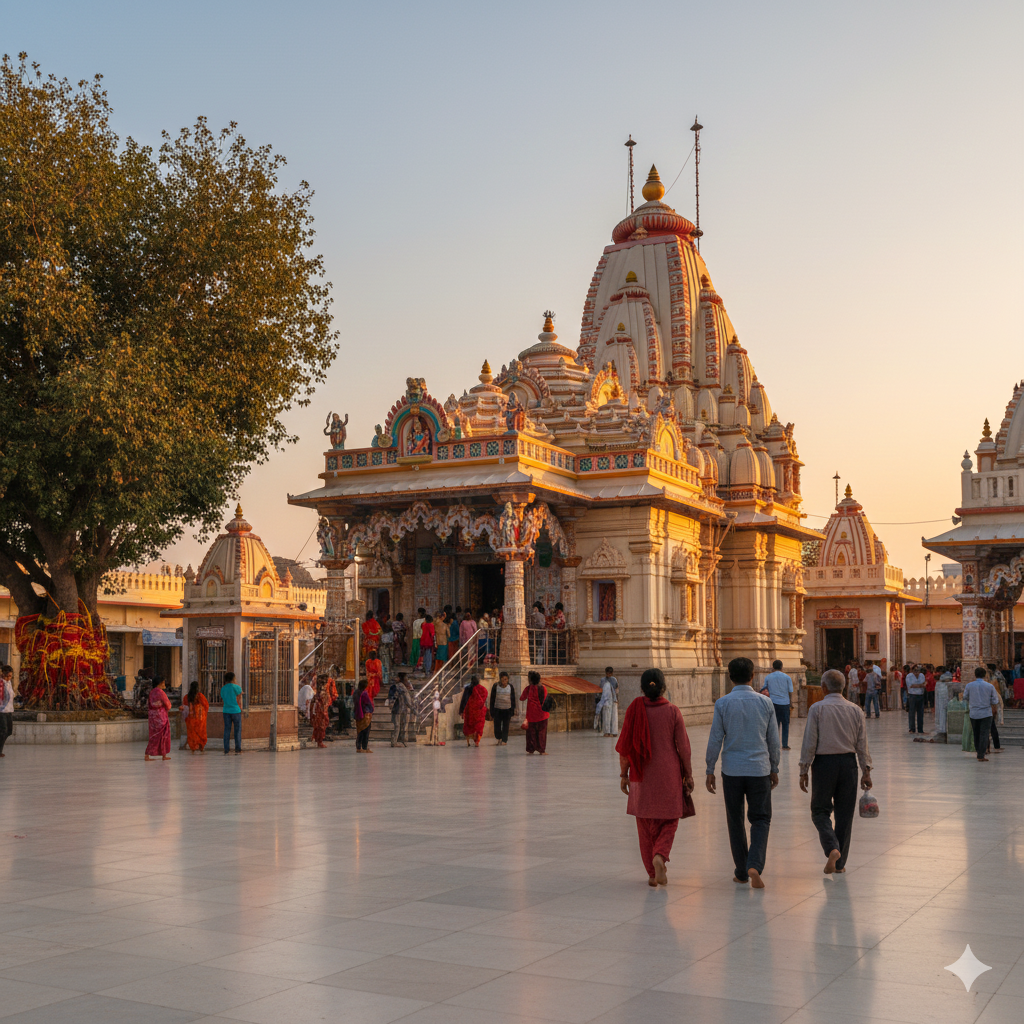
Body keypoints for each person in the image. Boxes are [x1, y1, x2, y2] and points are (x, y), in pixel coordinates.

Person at [705, 657, 780, 889]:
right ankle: (755, 864)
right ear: (753, 675)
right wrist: (774, 767)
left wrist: (710, 769)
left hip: (732, 771)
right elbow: (773, 741)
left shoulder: (722, 703)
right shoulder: (765, 703)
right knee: (761, 819)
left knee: (735, 819)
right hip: (759, 769)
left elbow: (716, 738)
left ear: (730, 677)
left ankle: (741, 870)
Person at [616, 667, 695, 886]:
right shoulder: (673, 711)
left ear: (642, 687)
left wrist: (624, 774)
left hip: (641, 775)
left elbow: (625, 746)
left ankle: (652, 873)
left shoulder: (634, 709)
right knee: (669, 819)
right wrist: (688, 775)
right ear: (663, 687)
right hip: (669, 774)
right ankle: (660, 855)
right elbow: (684, 748)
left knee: (644, 825)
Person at [798, 669, 872, 875]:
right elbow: (862, 743)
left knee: (820, 811)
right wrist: (866, 770)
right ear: (844, 687)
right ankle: (839, 864)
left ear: (823, 687)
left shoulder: (817, 709)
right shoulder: (856, 710)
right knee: (844, 815)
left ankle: (832, 847)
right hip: (848, 764)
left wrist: (804, 768)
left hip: (824, 765)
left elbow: (809, 741)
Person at [962, 667, 1000, 762]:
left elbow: (965, 697)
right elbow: (995, 700)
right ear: (985, 675)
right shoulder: (990, 686)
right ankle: (981, 755)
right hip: (986, 713)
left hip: (974, 713)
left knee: (976, 733)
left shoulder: (969, 686)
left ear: (975, 675)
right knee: (984, 734)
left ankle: (978, 751)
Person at [763, 660, 794, 749]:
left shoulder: (768, 677)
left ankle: (774, 744)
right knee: (785, 724)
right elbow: (790, 691)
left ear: (773, 667)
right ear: (782, 667)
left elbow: (764, 689)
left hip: (773, 703)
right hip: (785, 703)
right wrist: (791, 703)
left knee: (774, 725)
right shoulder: (787, 677)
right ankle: (785, 744)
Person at [522, 670, 550, 754]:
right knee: (542, 733)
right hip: (542, 714)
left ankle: (531, 749)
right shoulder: (543, 688)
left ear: (530, 680)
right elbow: (545, 699)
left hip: (531, 715)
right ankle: (541, 750)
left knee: (531, 733)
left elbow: (522, 698)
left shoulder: (528, 688)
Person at [145, 677, 172, 761]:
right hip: (161, 717)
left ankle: (148, 755)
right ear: (159, 683)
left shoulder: (151, 692)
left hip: (153, 717)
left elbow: (148, 704)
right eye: (163, 683)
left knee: (154, 736)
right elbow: (168, 704)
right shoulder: (160, 692)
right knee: (163, 736)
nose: (164, 685)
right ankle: (163, 754)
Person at [458, 673, 488, 746]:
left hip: (469, 710)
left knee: (469, 726)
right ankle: (476, 741)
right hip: (479, 711)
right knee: (478, 726)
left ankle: (469, 741)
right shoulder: (482, 689)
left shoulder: (468, 688)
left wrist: (461, 710)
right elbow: (484, 699)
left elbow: (464, 700)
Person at [489, 671, 516, 745]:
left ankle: (504, 740)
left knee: (506, 726)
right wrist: (491, 711)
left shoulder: (510, 687)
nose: (505, 681)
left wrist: (513, 709)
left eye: (506, 679)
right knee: (497, 726)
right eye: (503, 679)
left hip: (507, 709)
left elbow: (513, 698)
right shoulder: (495, 686)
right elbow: (492, 699)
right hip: (497, 709)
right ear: (500, 679)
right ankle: (499, 737)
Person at [182, 681, 209, 753]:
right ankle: (201, 747)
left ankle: (193, 747)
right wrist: (204, 713)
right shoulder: (200, 696)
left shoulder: (186, 696)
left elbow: (184, 706)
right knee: (201, 732)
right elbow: (206, 705)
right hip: (200, 717)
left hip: (190, 717)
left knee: (192, 732)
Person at [221, 671, 243, 755]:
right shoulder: (236, 687)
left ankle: (226, 749)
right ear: (233, 678)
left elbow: (223, 697)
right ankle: (238, 749)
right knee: (237, 730)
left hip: (226, 711)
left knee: (227, 730)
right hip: (236, 711)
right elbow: (240, 693)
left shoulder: (223, 688)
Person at [390, 672, 413, 748]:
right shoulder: (400, 686)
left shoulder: (400, 686)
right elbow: (408, 698)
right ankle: (397, 742)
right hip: (399, 708)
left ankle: (396, 741)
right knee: (399, 726)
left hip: (399, 708)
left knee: (398, 725)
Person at [905, 664, 926, 734]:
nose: (916, 672)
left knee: (920, 713)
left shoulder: (922, 676)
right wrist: (920, 685)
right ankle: (912, 728)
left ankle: (920, 728)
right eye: (915, 671)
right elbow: (911, 685)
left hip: (921, 695)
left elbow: (924, 684)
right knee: (912, 712)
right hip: (912, 695)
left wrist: (917, 685)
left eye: (918, 671)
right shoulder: (909, 676)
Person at [354, 679, 374, 752]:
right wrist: (371, 709)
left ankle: (359, 747)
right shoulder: (364, 693)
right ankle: (364, 747)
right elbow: (368, 703)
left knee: (360, 731)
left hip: (358, 713)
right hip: (365, 714)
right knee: (366, 731)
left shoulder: (356, 692)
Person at [310, 678, 329, 749]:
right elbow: (324, 704)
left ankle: (318, 741)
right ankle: (319, 741)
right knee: (321, 726)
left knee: (318, 726)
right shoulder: (322, 694)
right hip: (321, 712)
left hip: (318, 711)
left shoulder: (317, 694)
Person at [596, 671, 617, 737]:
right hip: (606, 701)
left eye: (610, 673)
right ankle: (607, 732)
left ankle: (614, 732)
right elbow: (601, 690)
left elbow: (616, 690)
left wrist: (616, 699)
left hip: (613, 700)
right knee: (606, 717)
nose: (608, 675)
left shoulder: (614, 680)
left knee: (614, 717)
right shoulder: (603, 680)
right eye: (607, 673)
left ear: (612, 673)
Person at [0, 665, 14, 757]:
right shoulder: (1, 683)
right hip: (1, 711)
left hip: (9, 710)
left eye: (10, 676)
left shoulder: (9, 683)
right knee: (4, 731)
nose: (9, 678)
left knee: (9, 731)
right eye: (8, 676)